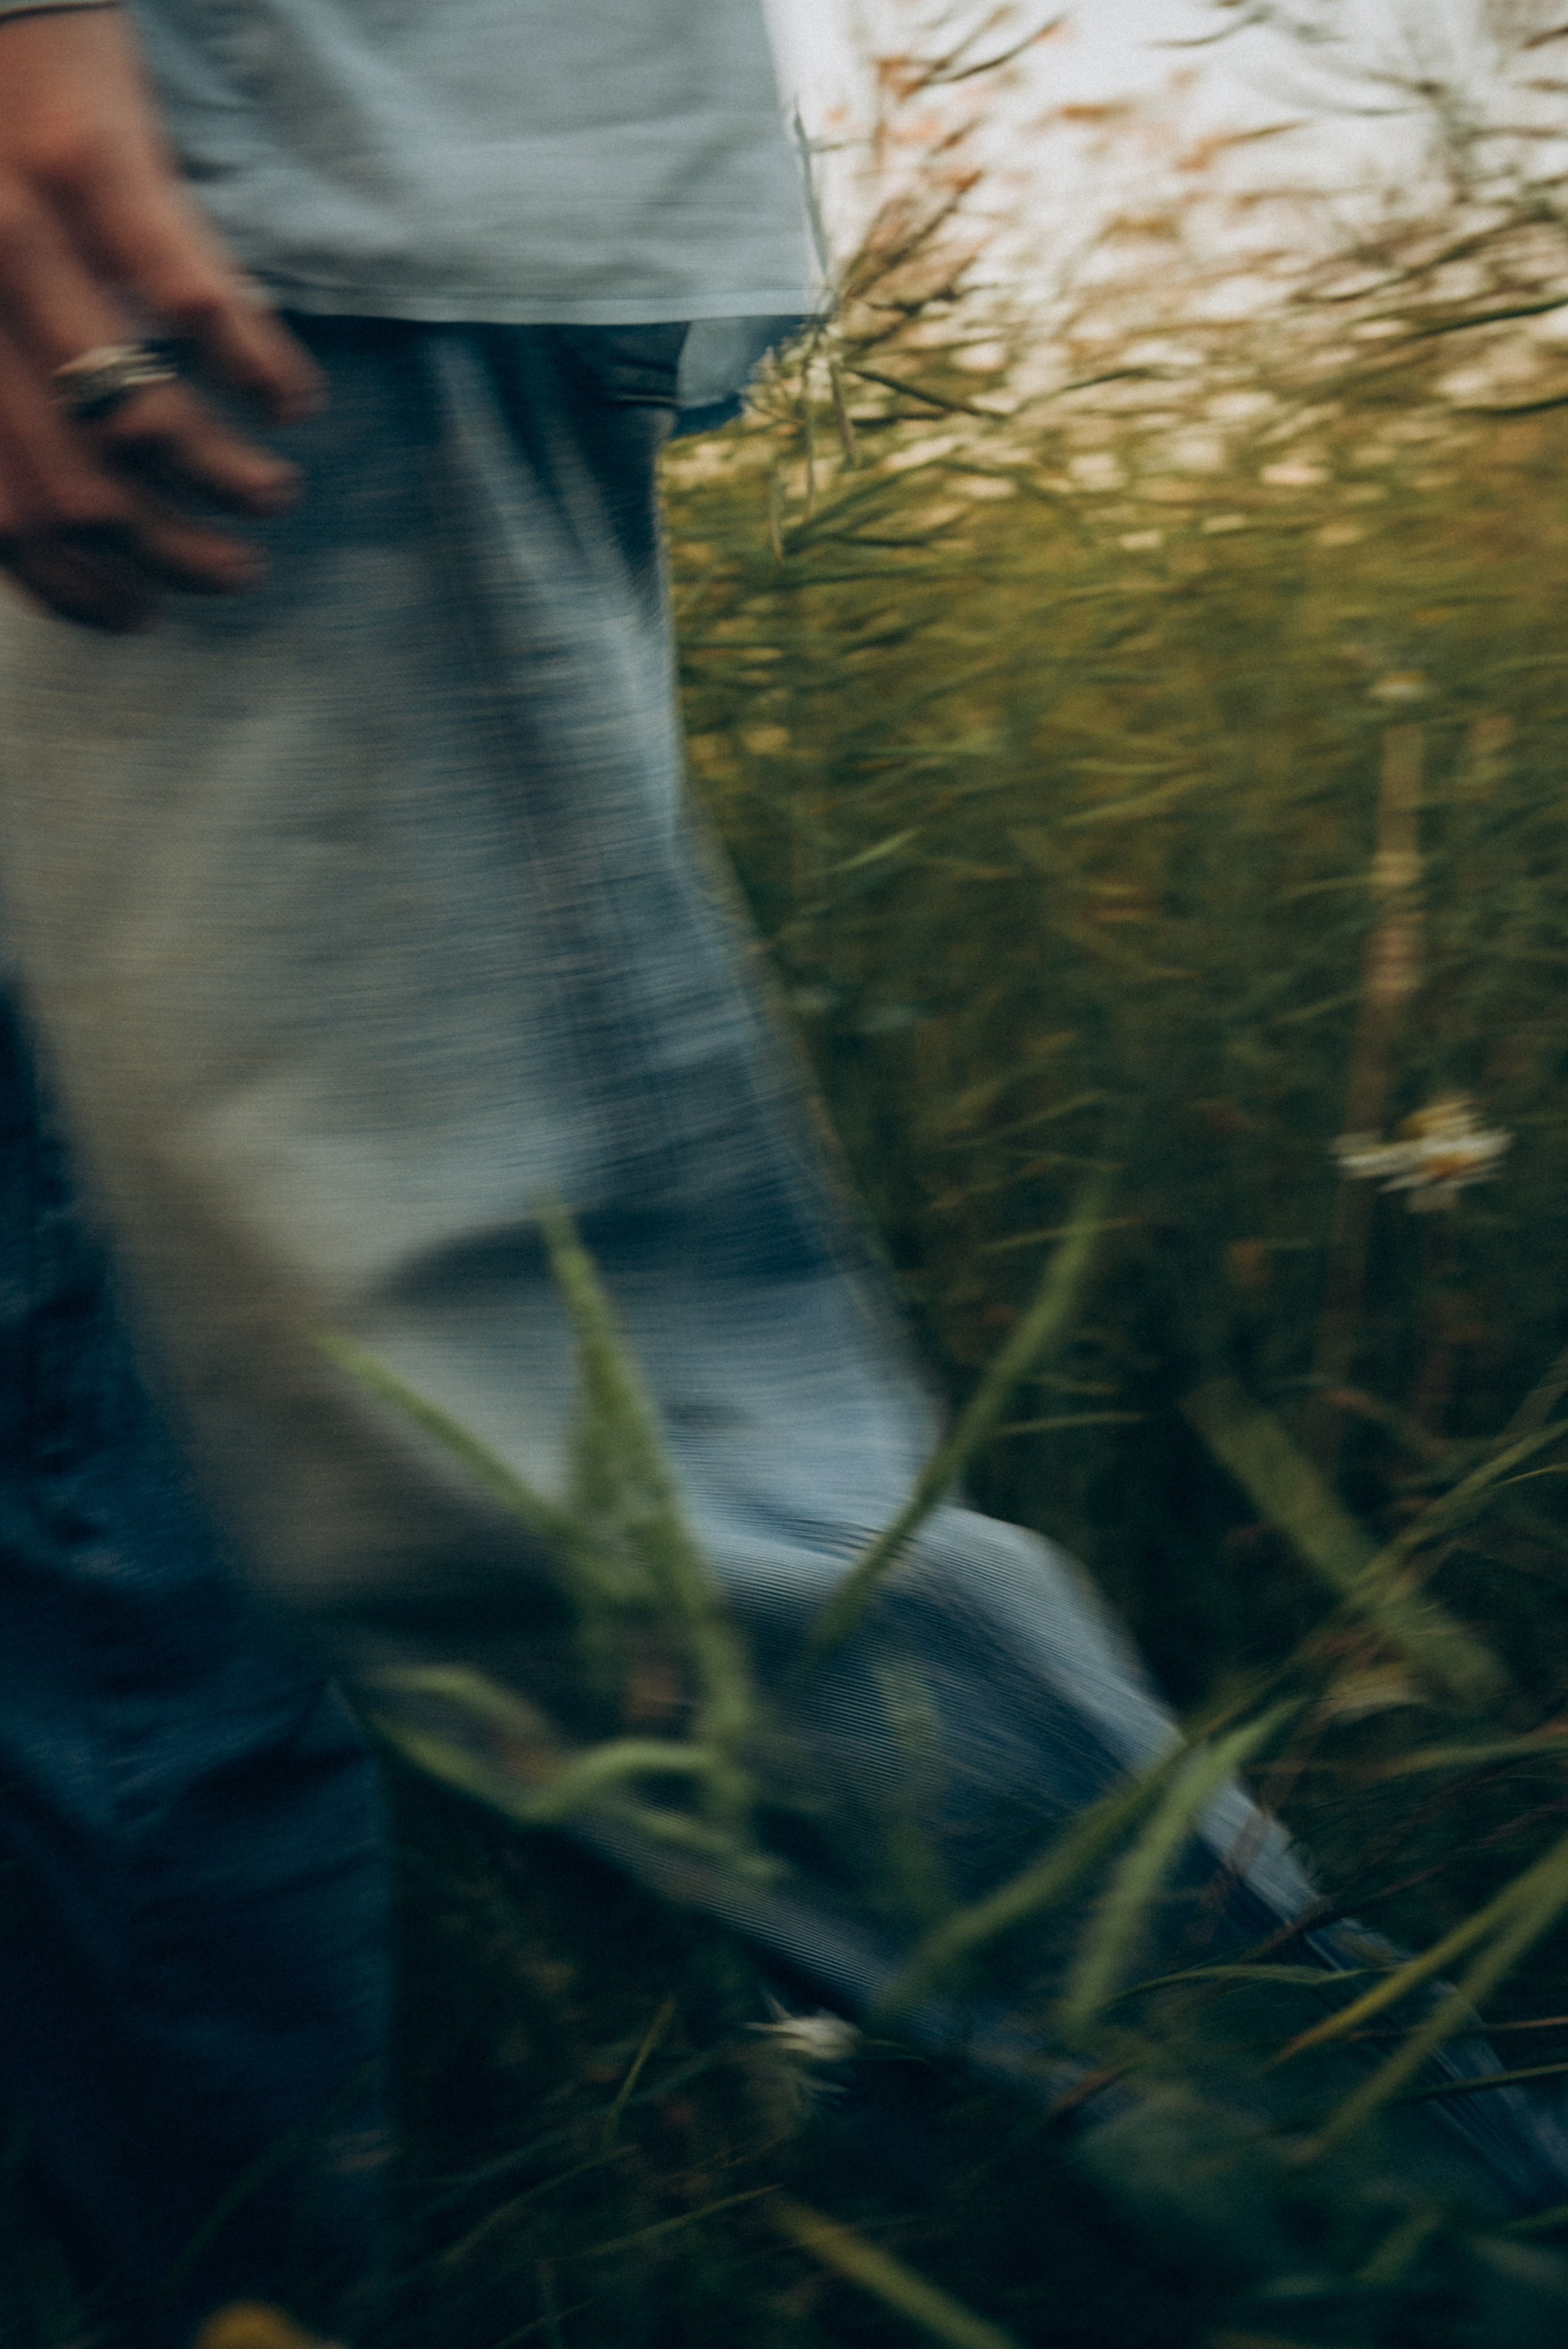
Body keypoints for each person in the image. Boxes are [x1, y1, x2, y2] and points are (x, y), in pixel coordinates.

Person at [0, 6, 1566, 2345]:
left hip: (212, 190)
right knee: (83, 1498)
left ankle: (1453, 2255)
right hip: (190, 183)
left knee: (546, 1469)